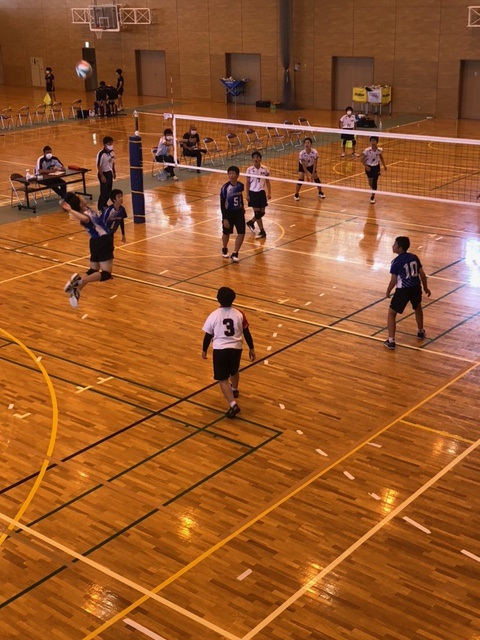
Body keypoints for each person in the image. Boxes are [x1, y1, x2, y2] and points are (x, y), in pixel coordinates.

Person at [202, 286, 256, 418]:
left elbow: (208, 335)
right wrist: (251, 348)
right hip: (236, 348)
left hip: (220, 349)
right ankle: (235, 389)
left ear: (218, 299)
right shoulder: (239, 314)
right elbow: (246, 332)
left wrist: (204, 350)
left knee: (222, 378)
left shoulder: (214, 315)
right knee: (234, 370)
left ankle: (233, 404)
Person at [60, 193, 120, 308]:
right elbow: (85, 219)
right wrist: (70, 210)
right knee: (106, 274)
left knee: (93, 270)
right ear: (79, 203)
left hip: (95, 242)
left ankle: (76, 290)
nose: (83, 197)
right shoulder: (85, 215)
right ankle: (79, 282)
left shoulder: (86, 209)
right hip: (103, 240)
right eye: (80, 197)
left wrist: (69, 207)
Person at [384, 236, 431, 350]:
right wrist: (425, 288)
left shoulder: (396, 262)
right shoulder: (414, 257)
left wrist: (388, 291)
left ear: (400, 248)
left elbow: (394, 280)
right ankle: (420, 332)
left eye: (395, 244)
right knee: (417, 307)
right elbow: (422, 274)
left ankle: (391, 340)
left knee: (391, 313)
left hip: (403, 290)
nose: (393, 246)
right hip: (415, 288)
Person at [220, 166, 246, 262]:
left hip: (238, 212)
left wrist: (242, 206)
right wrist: (225, 218)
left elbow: (240, 195)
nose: (231, 175)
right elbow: (222, 204)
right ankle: (224, 248)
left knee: (241, 232)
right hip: (228, 213)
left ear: (237, 175)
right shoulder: (225, 188)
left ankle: (235, 253)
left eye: (233, 173)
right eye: (229, 173)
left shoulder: (240, 186)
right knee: (226, 233)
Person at [245, 151, 271, 239]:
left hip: (261, 192)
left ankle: (251, 222)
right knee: (257, 213)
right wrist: (247, 194)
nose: (255, 159)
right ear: (252, 159)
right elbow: (247, 183)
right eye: (254, 157)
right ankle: (262, 231)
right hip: (253, 193)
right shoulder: (249, 170)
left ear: (260, 159)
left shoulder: (265, 169)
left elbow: (267, 181)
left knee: (262, 212)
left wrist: (269, 192)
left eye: (257, 157)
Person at [361, 135, 387, 204]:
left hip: (376, 167)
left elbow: (381, 157)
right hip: (369, 167)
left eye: (374, 141)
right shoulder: (367, 150)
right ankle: (373, 189)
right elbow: (362, 159)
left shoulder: (379, 150)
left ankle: (372, 196)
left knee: (374, 182)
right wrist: (366, 166)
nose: (373, 142)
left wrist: (384, 165)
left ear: (377, 142)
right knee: (370, 183)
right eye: (372, 141)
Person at [97, 136, 116, 212]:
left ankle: (105, 204)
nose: (111, 145)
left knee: (109, 191)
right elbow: (99, 165)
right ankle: (100, 207)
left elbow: (113, 162)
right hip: (103, 173)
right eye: (109, 144)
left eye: (112, 143)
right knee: (104, 191)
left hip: (109, 172)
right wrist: (102, 176)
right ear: (105, 144)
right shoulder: (101, 154)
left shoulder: (112, 153)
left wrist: (114, 172)